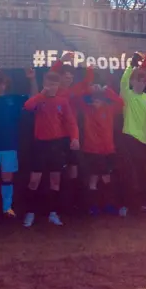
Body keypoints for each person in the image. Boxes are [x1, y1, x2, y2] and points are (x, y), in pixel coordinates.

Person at [0, 68, 38, 220]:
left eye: (3, 84)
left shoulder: (14, 99)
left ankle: (7, 208)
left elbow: (34, 98)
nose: (1, 86)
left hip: (10, 145)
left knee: (7, 178)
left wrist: (32, 79)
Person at [22, 71, 79, 227]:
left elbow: (71, 122)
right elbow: (27, 106)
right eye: (49, 84)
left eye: (54, 84)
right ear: (44, 84)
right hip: (39, 144)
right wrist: (42, 94)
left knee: (55, 181)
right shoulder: (39, 100)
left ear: (58, 85)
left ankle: (53, 213)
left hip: (56, 145)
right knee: (34, 181)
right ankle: (30, 212)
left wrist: (74, 138)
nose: (52, 87)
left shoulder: (63, 101)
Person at [50, 53, 95, 208]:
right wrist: (61, 60)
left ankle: (71, 205)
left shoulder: (75, 90)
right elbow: (51, 73)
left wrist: (88, 64)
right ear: (60, 78)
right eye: (66, 77)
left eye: (70, 78)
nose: (68, 80)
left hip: (72, 136)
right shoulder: (54, 90)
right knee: (55, 172)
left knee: (73, 170)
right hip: (56, 136)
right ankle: (56, 207)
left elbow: (88, 80)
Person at [118, 47, 146, 216]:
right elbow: (123, 81)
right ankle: (127, 205)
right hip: (129, 139)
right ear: (133, 82)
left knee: (143, 174)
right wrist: (131, 66)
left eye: (143, 81)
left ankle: (144, 204)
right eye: (137, 80)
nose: (140, 83)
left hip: (145, 142)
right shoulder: (127, 94)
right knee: (129, 174)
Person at [73, 85, 124, 215]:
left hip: (107, 150)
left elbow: (120, 102)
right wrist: (88, 89)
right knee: (93, 178)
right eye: (94, 98)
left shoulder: (109, 109)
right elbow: (77, 97)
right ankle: (93, 206)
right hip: (92, 150)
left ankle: (107, 204)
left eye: (99, 98)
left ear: (103, 99)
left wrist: (107, 90)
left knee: (106, 178)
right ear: (91, 99)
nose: (97, 101)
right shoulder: (86, 109)